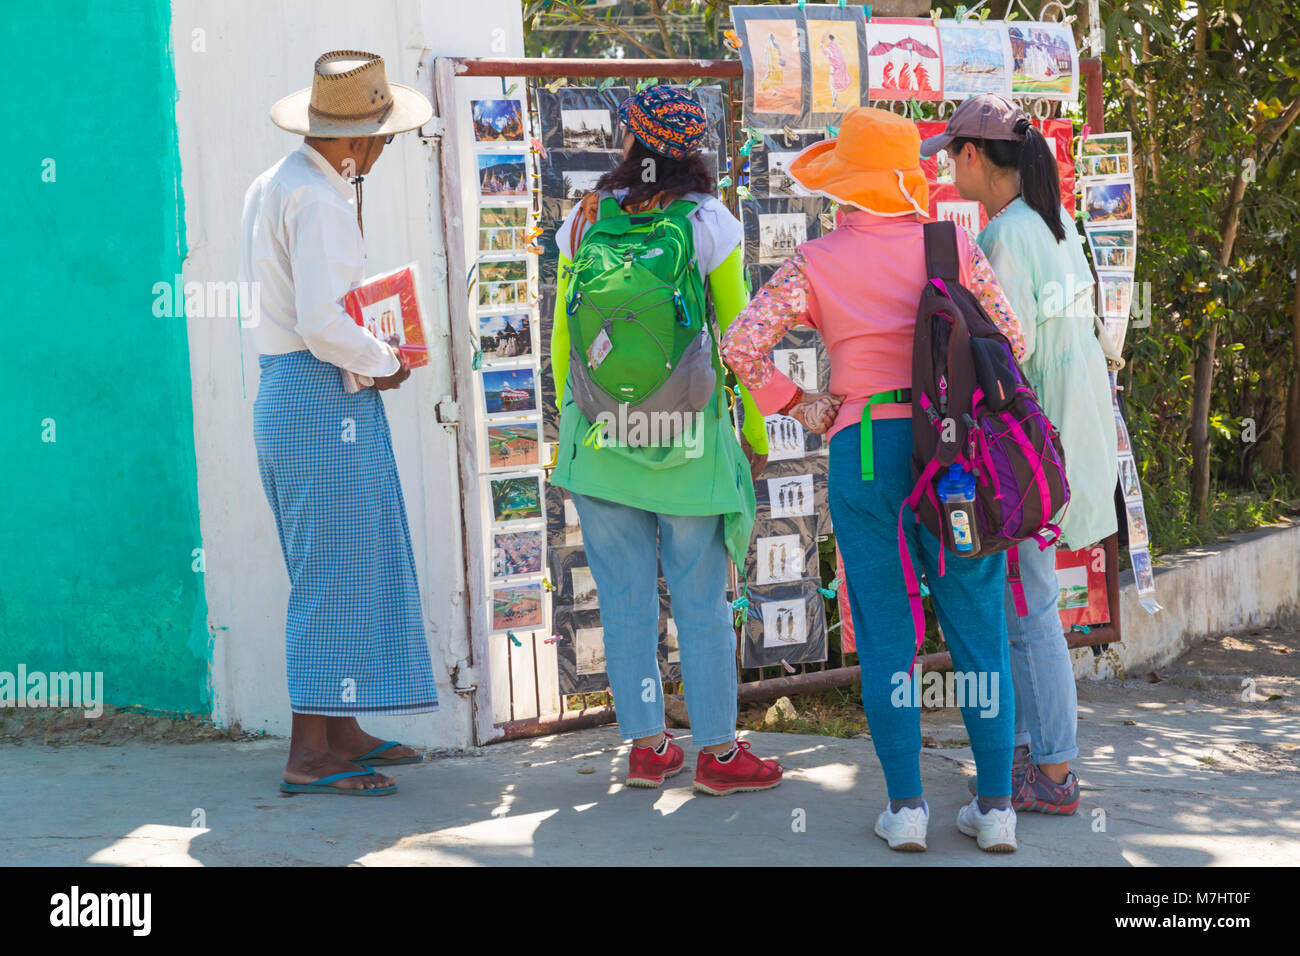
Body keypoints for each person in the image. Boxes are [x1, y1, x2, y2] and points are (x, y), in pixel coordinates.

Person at [721, 107, 1026, 852]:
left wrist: (802, 403)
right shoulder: (951, 244)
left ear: (845, 186)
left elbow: (741, 347)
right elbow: (1012, 340)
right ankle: (995, 811)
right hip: (951, 456)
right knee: (978, 625)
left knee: (887, 632)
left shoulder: (817, 261)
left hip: (861, 448)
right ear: (909, 180)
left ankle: (909, 808)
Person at [550, 86, 782, 795]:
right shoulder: (710, 223)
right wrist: (752, 427)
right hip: (686, 439)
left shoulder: (585, 222)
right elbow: (739, 338)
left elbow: (566, 337)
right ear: (695, 150)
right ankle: (717, 755)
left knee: (623, 601)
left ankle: (648, 749)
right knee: (701, 598)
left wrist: (582, 424)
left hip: (602, 438)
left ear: (632, 144)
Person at [242, 51, 439, 796]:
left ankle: (342, 725)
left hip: (292, 392)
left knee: (345, 563)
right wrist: (387, 358)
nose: (385, 150)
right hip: (320, 392)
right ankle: (309, 753)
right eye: (383, 138)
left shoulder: (280, 181)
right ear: (355, 141)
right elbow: (324, 323)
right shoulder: (322, 200)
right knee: (332, 573)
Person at [921, 93, 1119, 815]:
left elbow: (1009, 353)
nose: (947, 168)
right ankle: (1041, 752)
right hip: (1074, 433)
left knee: (1031, 606)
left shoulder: (1003, 236)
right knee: (1035, 604)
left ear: (974, 156)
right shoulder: (1054, 224)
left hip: (1032, 449)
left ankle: (1056, 770)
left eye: (951, 155)